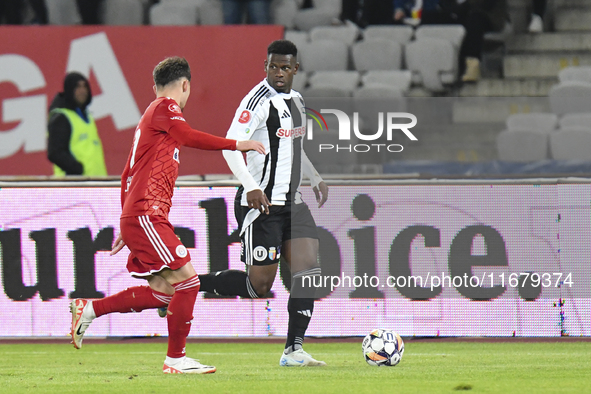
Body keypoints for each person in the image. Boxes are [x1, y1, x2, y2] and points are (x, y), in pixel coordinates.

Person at [69, 56, 265, 374]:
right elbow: (188, 137)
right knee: (187, 283)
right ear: (185, 84)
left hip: (140, 215)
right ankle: (175, 359)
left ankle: (89, 309)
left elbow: (126, 174)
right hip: (147, 213)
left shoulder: (151, 120)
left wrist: (125, 219)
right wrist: (236, 144)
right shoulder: (165, 107)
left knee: (165, 292)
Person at [196, 40, 329, 367]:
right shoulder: (256, 102)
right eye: (273, 67)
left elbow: (295, 148)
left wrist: (314, 176)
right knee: (259, 285)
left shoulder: (297, 101)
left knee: (308, 271)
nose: (279, 73)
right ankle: (189, 284)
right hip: (263, 205)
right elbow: (230, 147)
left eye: (285, 68)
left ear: (295, 69)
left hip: (292, 203)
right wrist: (251, 186)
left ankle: (294, 350)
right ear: (265, 66)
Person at [47, 72, 107, 176]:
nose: (83, 91)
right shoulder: (62, 117)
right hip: (74, 186)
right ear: (70, 90)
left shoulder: (88, 117)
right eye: (78, 87)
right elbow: (55, 152)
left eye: (85, 86)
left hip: (96, 184)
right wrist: (77, 169)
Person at [460, 0, 509, 82]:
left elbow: (487, 4)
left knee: (475, 20)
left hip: (491, 18)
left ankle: (473, 64)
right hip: (467, 15)